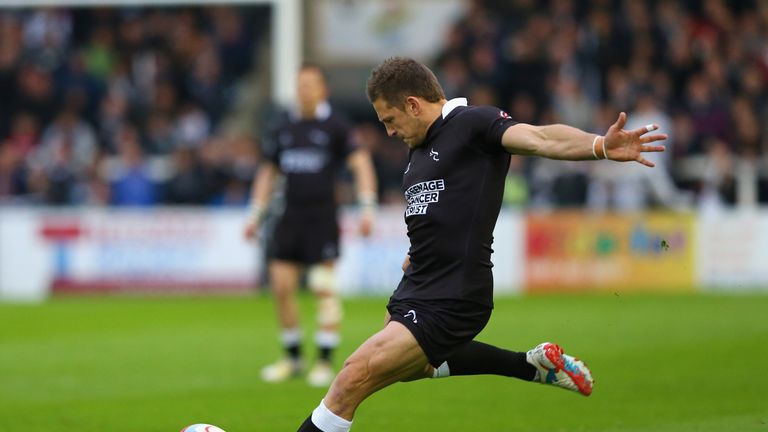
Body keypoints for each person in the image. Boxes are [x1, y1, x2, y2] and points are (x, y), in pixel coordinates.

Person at [296, 57, 667, 432]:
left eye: (390, 120)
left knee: (351, 378)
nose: (389, 132)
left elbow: (538, 138)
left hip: (455, 293)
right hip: (418, 283)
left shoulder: (472, 123)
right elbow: (441, 209)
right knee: (413, 368)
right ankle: (530, 366)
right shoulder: (418, 151)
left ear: (412, 104)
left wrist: (600, 145)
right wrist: (418, 250)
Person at [244, 63, 378, 388]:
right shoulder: (283, 127)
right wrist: (255, 215)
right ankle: (292, 358)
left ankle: (323, 360)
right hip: (289, 216)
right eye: (300, 84)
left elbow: (360, 164)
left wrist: (367, 209)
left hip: (322, 218)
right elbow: (267, 171)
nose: (303, 90)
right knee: (281, 288)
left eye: (310, 84)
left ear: (323, 89)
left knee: (323, 288)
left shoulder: (336, 126)